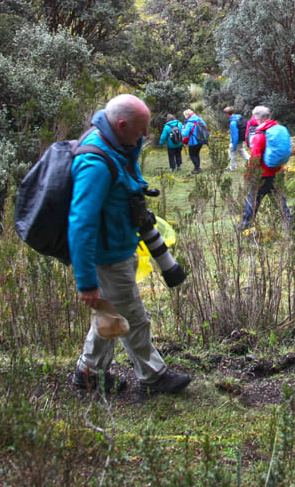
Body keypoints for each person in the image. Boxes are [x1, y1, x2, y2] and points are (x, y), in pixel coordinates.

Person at [69, 94, 191, 395]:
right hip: (108, 256)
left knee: (112, 313)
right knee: (135, 318)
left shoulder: (117, 145)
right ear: (122, 124)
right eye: (141, 129)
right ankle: (154, 376)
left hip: (120, 247)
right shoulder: (95, 163)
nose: (146, 135)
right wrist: (85, 282)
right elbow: (81, 223)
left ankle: (89, 373)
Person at [239, 105, 292, 231]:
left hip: (262, 175)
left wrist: (249, 173)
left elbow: (255, 157)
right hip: (278, 171)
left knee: (253, 199)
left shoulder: (260, 134)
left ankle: (245, 224)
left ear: (258, 118)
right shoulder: (278, 129)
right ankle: (288, 221)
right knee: (279, 198)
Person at [181, 108, 208, 174]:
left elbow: (184, 134)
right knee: (197, 154)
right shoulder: (199, 119)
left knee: (192, 155)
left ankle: (197, 168)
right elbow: (205, 126)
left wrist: (182, 129)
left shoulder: (189, 123)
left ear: (187, 115)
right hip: (201, 140)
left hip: (193, 141)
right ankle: (197, 167)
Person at [223, 106, 244, 171]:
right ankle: (251, 163)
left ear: (227, 114)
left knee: (232, 152)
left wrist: (234, 145)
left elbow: (235, 135)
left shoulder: (233, 123)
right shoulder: (238, 117)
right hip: (240, 140)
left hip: (235, 141)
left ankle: (233, 168)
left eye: (225, 114)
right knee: (242, 151)